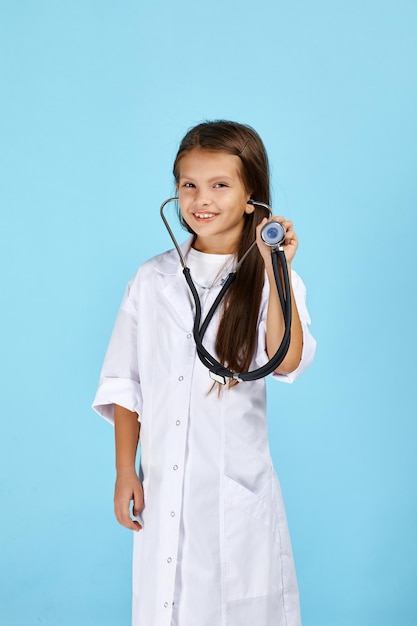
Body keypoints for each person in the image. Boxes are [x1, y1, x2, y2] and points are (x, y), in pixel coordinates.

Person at [92, 120, 316, 626]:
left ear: (250, 192)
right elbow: (127, 382)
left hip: (236, 492)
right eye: (188, 185)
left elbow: (286, 359)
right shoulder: (152, 280)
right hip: (163, 486)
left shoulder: (273, 278)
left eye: (220, 184)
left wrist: (276, 266)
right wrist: (126, 470)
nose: (201, 199)